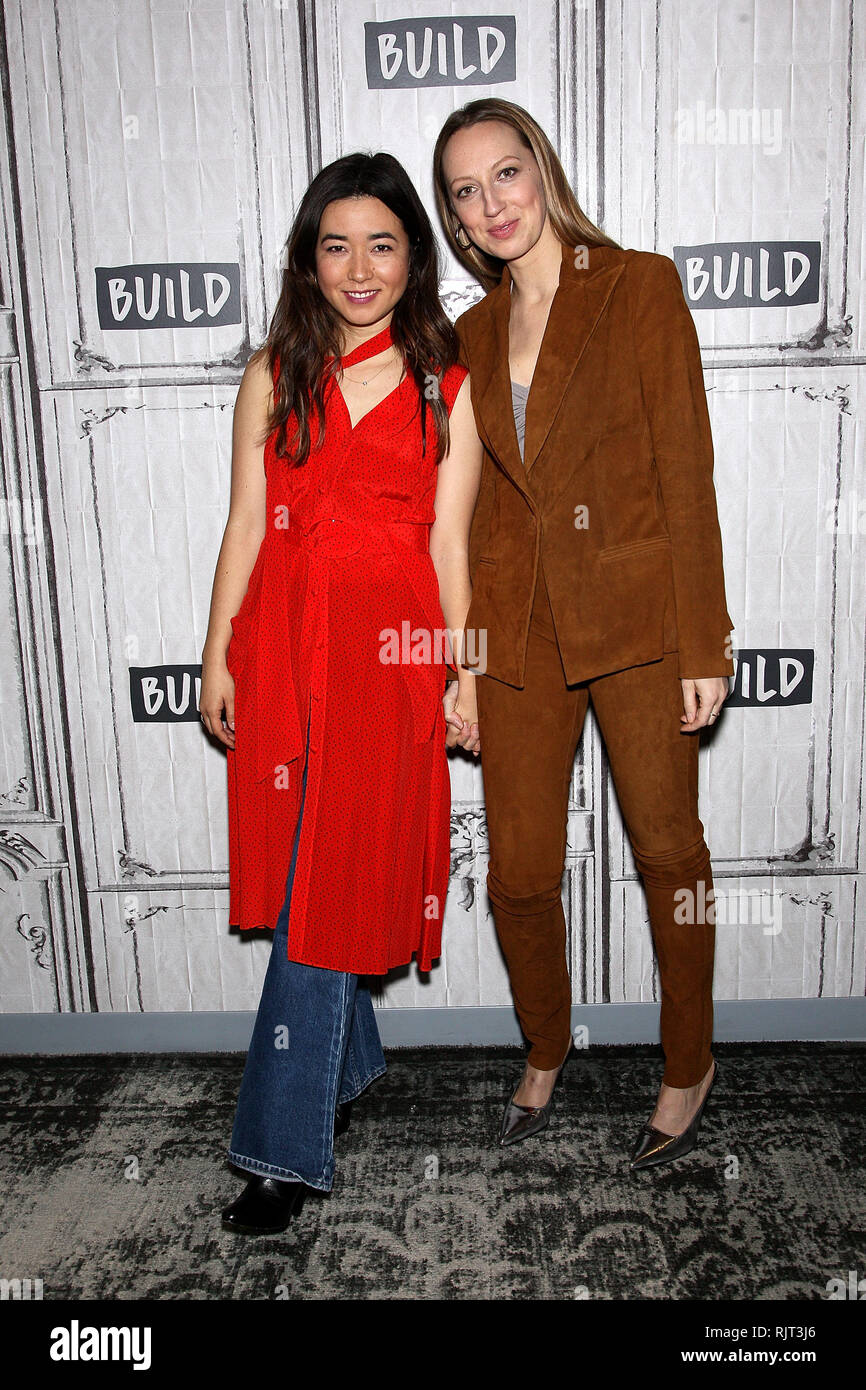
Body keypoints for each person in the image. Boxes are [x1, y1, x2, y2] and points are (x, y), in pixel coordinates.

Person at [432, 98, 735, 1168]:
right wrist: (461, 663)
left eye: (504, 174)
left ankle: (686, 1059)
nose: (490, 204)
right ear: (454, 218)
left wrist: (705, 640)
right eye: (465, 191)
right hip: (516, 631)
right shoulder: (466, 334)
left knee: (667, 853)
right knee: (516, 870)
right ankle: (546, 1045)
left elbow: (683, 472)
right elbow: (462, 513)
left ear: (542, 171)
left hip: (639, 620)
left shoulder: (638, 285)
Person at [199, 151, 482, 1233]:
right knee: (301, 879)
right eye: (334, 245)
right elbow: (241, 521)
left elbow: (451, 547)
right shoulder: (274, 373)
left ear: (413, 258)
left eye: (381, 244)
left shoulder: (442, 385)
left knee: (325, 890)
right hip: (281, 647)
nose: (357, 268)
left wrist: (463, 673)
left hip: (390, 661)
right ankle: (346, 1066)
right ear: (307, 261)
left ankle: (277, 1150)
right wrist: (217, 649)